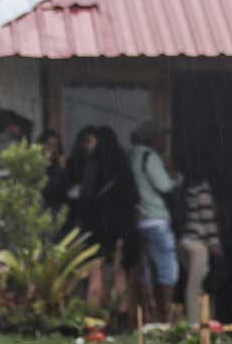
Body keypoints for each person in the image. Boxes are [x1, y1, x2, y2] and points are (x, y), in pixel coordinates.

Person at [79, 126, 140, 311]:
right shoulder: (122, 166)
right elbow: (134, 198)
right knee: (120, 271)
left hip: (96, 228)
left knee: (95, 273)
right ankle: (121, 315)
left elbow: (85, 197)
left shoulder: (93, 165)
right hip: (121, 228)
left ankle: (93, 319)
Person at [129, 122, 183, 323]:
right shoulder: (148, 156)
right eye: (162, 139)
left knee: (145, 271)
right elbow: (164, 185)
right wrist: (178, 180)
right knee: (167, 270)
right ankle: (166, 317)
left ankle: (147, 317)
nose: (165, 143)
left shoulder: (130, 155)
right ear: (152, 139)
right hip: (156, 220)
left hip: (138, 220)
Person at [179, 167, 222, 326]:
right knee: (195, 286)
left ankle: (205, 320)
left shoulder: (189, 189)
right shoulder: (203, 190)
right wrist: (214, 243)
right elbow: (207, 218)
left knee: (198, 285)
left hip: (186, 240)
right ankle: (194, 323)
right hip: (198, 243)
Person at [0, 109, 32, 250]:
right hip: (15, 211)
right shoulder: (16, 148)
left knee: (3, 248)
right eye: (19, 127)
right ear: (11, 127)